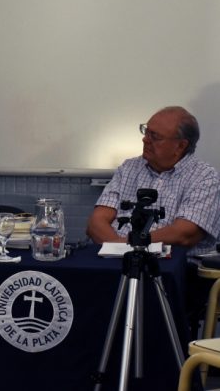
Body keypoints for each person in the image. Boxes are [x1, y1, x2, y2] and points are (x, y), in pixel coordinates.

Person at [86, 106, 220, 335]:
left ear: (180, 146)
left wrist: (128, 246)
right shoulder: (129, 168)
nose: (145, 139)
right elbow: (96, 222)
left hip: (172, 271)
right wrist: (123, 250)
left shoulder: (204, 177)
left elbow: (184, 234)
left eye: (154, 136)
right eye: (146, 131)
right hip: (115, 263)